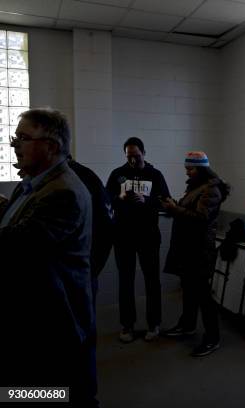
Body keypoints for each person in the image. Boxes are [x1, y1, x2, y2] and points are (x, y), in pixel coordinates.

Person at [0, 108, 97, 406]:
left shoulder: (62, 191)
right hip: (31, 314)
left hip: (51, 320)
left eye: (23, 138)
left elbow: (18, 249)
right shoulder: (33, 184)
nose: (14, 145)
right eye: (15, 138)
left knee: (54, 393)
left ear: (51, 146)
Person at [161, 151, 229, 357]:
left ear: (201, 169)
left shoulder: (212, 189)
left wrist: (174, 209)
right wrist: (173, 204)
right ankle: (187, 325)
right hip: (189, 248)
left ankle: (213, 337)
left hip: (200, 250)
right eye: (186, 169)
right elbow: (190, 210)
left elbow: (200, 218)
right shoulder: (197, 187)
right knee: (189, 290)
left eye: (190, 169)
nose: (187, 172)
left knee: (203, 296)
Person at [106, 137, 170, 343]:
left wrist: (147, 200)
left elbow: (165, 202)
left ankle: (154, 323)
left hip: (148, 236)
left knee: (152, 280)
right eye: (129, 156)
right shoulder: (118, 175)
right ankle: (127, 326)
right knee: (126, 281)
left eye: (136, 156)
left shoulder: (155, 175)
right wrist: (119, 199)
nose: (133, 160)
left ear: (144, 153)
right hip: (123, 236)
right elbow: (105, 200)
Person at [68, 156, 114, 299]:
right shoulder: (35, 180)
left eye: (24, 138)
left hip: (79, 275)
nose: (16, 144)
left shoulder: (81, 177)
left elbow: (105, 225)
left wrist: (91, 269)